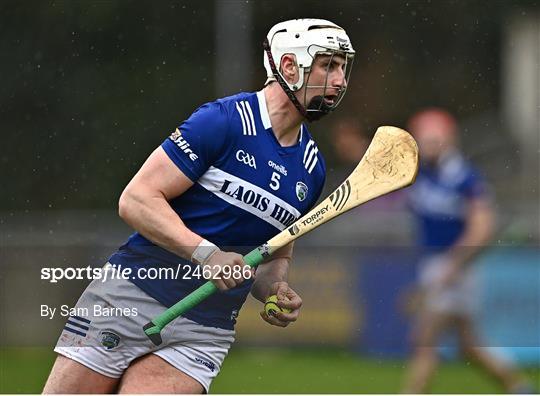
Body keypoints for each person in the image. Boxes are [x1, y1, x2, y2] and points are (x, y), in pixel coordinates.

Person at [43, 19, 355, 394]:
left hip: (204, 327)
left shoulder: (311, 168)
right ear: (290, 66)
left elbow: (274, 256)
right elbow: (137, 199)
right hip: (132, 293)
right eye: (328, 66)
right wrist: (207, 255)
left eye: (342, 68)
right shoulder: (222, 121)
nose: (340, 80)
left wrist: (275, 288)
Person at [401, 108, 533, 393]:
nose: (428, 146)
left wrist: (455, 263)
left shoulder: (464, 177)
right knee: (469, 346)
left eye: (434, 140)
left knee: (424, 339)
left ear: (449, 140)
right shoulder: (421, 173)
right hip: (435, 264)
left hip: (456, 268)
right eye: (423, 139)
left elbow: (483, 227)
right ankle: (519, 387)